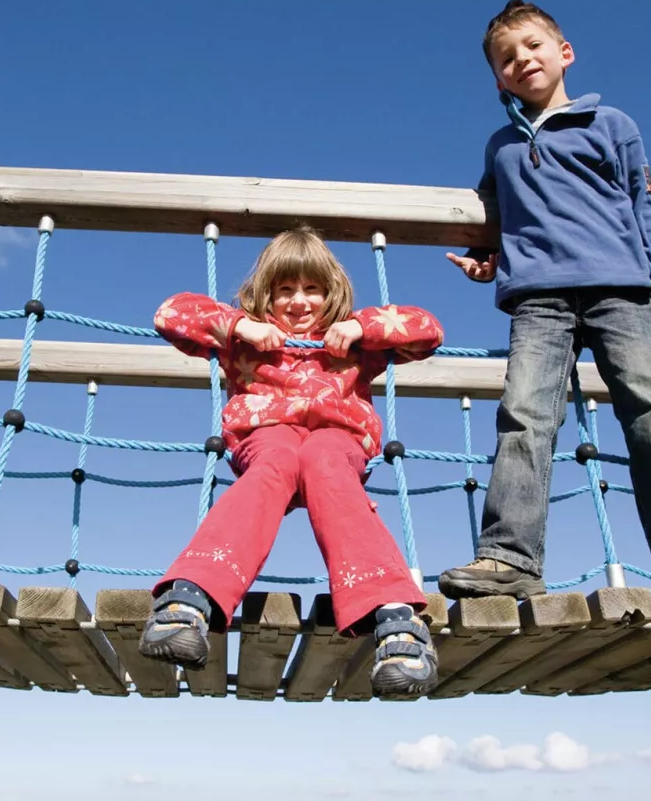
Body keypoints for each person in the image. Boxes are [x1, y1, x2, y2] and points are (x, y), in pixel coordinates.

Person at [439, 0, 651, 601]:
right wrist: (487, 258)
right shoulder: (501, 145)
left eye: (532, 47)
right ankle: (509, 558)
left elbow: (643, 201)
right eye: (506, 58)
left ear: (564, 53)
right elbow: (494, 218)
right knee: (524, 418)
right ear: (497, 77)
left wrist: (642, 269)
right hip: (538, 299)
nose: (521, 60)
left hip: (619, 292)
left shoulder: (612, 125)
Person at [140, 227, 445, 695]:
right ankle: (190, 598)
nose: (299, 302)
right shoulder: (246, 337)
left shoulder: (349, 341)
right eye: (284, 290)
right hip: (267, 440)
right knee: (274, 462)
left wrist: (363, 327)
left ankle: (395, 619)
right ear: (266, 295)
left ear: (332, 294)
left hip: (335, 442)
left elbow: (428, 329)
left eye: (312, 290)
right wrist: (240, 326)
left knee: (325, 460)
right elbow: (170, 313)